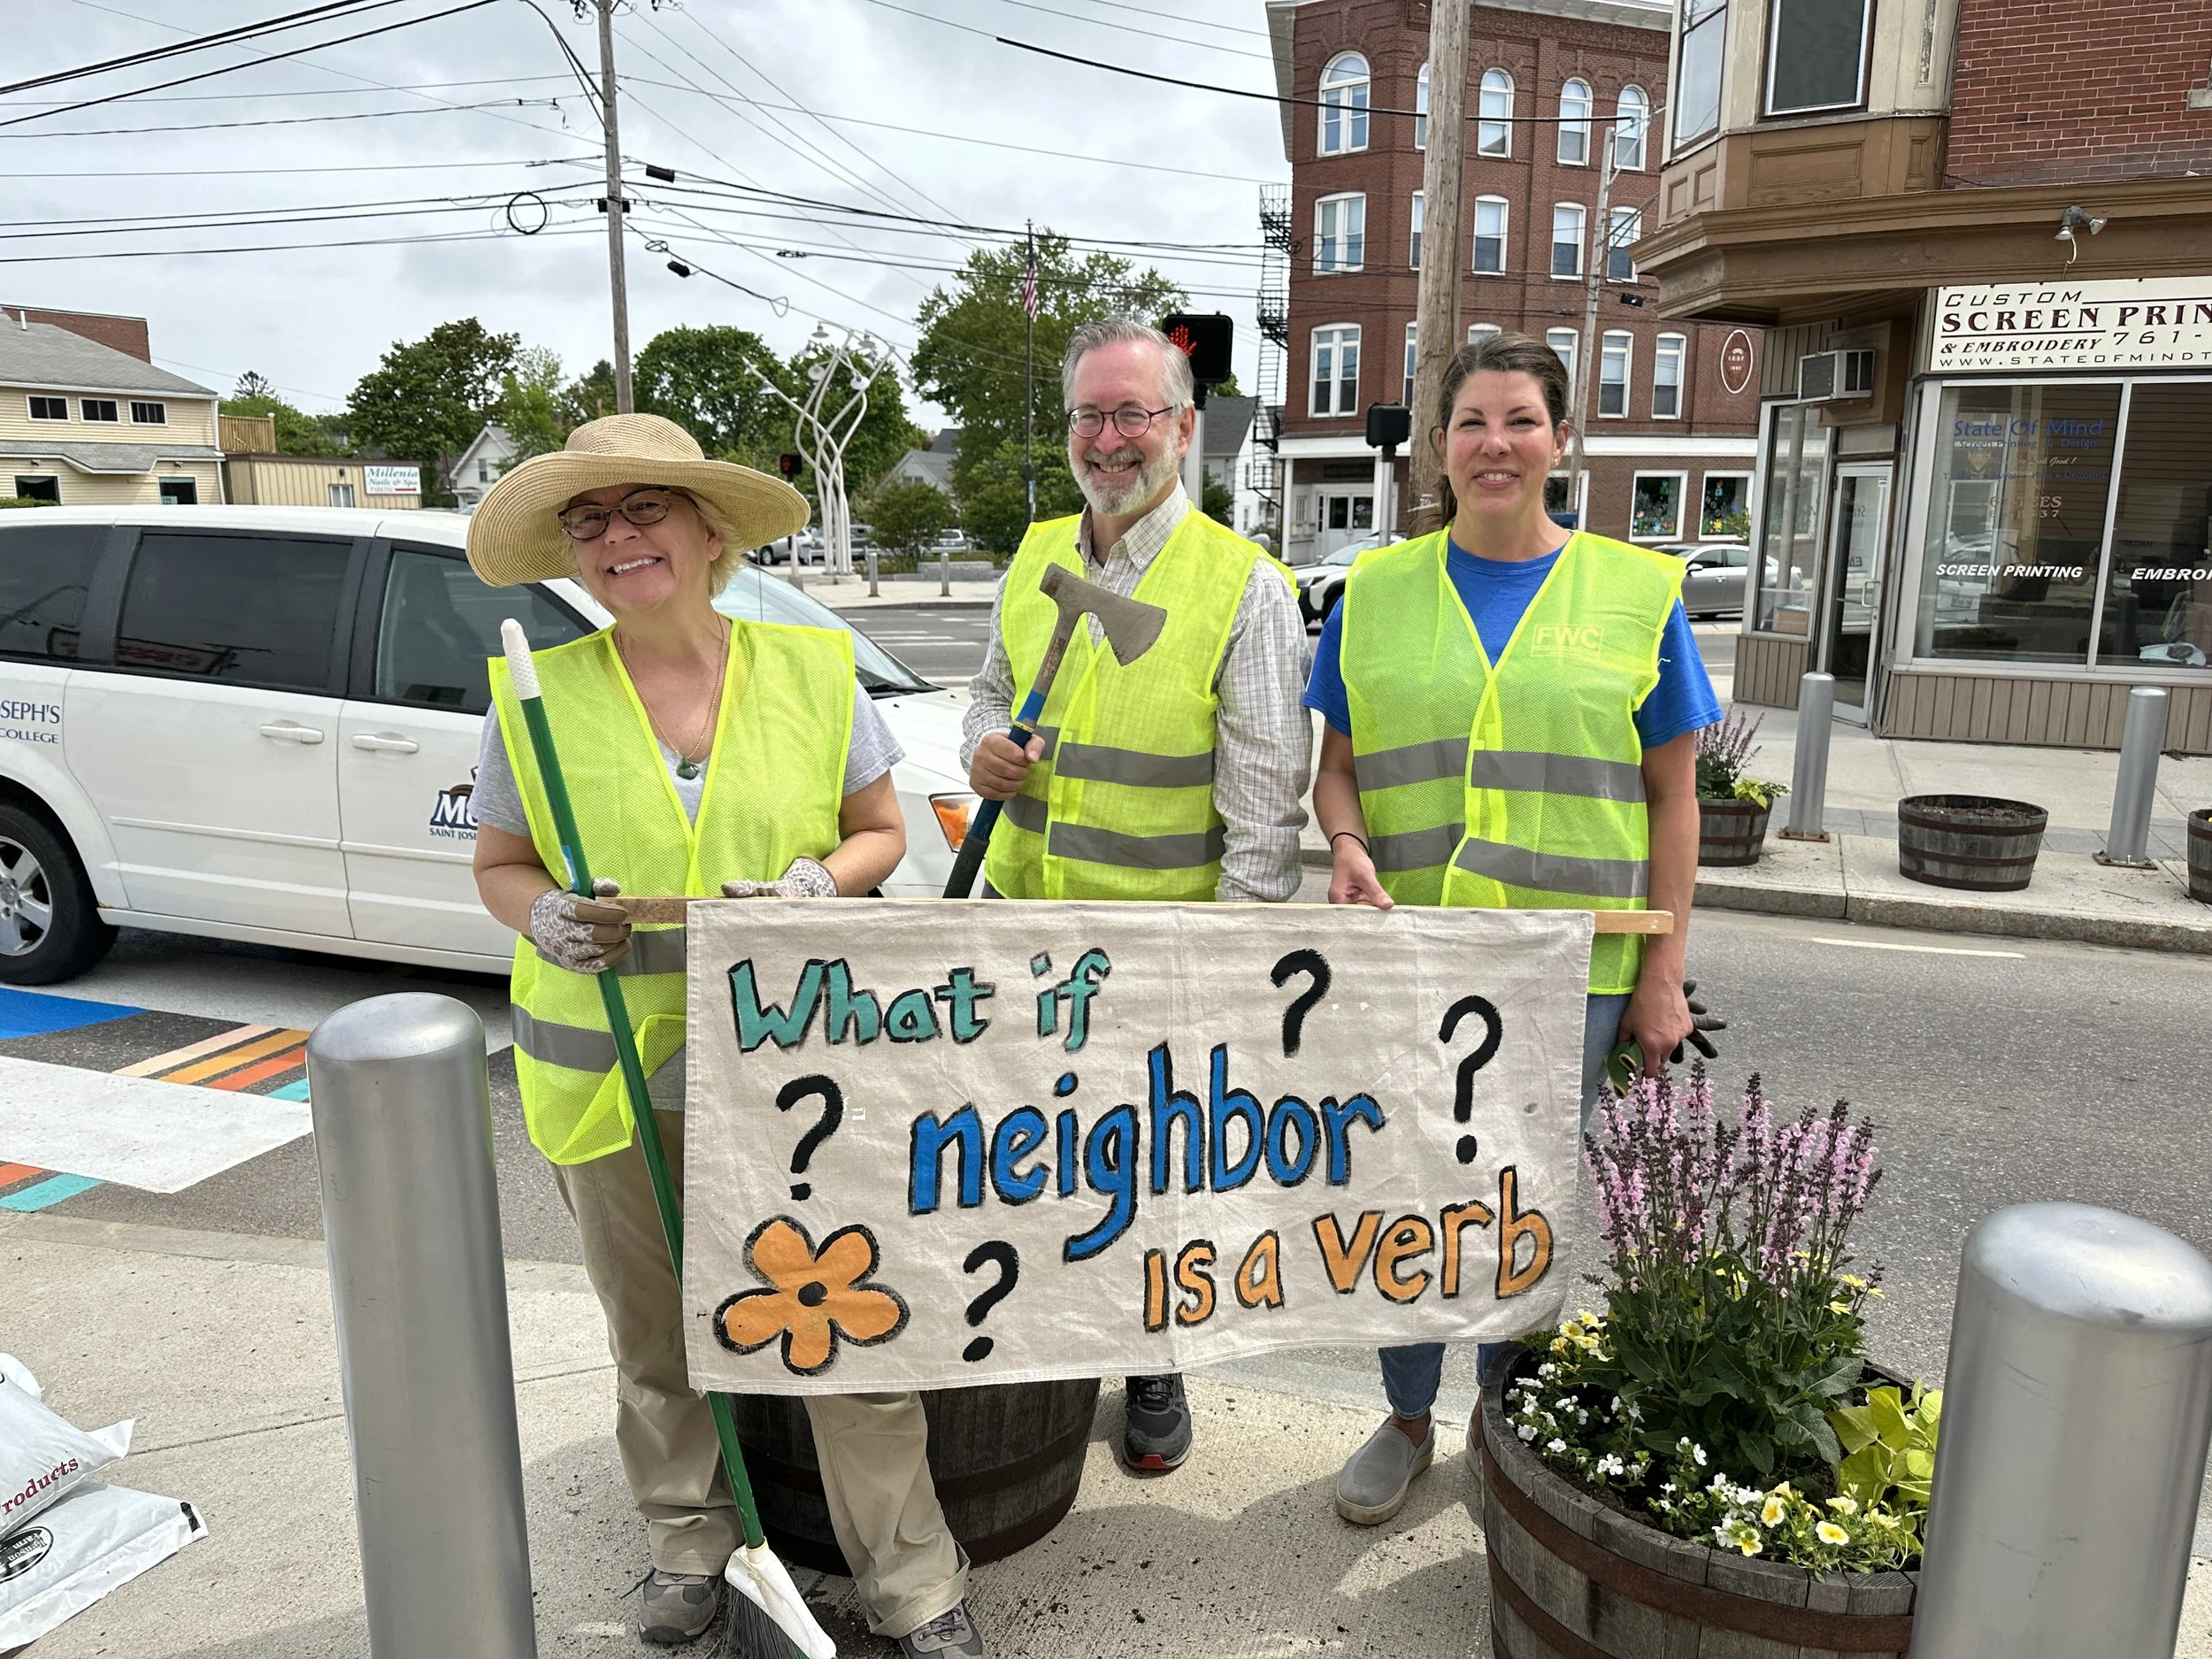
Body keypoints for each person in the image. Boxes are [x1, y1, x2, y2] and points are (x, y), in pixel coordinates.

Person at [466, 414, 987, 1657]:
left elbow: (880, 832)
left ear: (709, 534)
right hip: (610, 1083)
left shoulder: (813, 673)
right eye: (589, 522)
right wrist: (536, 913)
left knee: (846, 1325)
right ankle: (690, 1542)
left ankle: (913, 1581)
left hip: (793, 1079)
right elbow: (496, 861)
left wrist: (819, 884)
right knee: (653, 1340)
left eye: (644, 509)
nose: (617, 537)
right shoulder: (533, 696)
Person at [1304, 334, 1717, 1528]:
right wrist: (1343, 842)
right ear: (1442, 444)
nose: (1496, 442)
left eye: (1521, 419)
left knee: (1520, 1204)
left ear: (1561, 438)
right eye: (1474, 420)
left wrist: (1662, 973)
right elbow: (1336, 773)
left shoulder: (1638, 595)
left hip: (1568, 973)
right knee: (1402, 1191)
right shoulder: (1375, 594)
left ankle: (1498, 1417)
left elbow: (1672, 798)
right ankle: (1403, 1414)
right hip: (1412, 961)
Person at [961, 318, 1311, 1473]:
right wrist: (983, 753)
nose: (1109, 440)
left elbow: (1265, 825)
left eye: (1134, 414)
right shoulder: (1033, 554)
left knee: (1150, 1174)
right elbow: (989, 693)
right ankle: (1045, 1342)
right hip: (1023, 942)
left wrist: (1225, 976)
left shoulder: (1243, 590)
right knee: (1032, 1160)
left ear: (1184, 428)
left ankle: (1155, 1357)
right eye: (1089, 415)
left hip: (1158, 959)